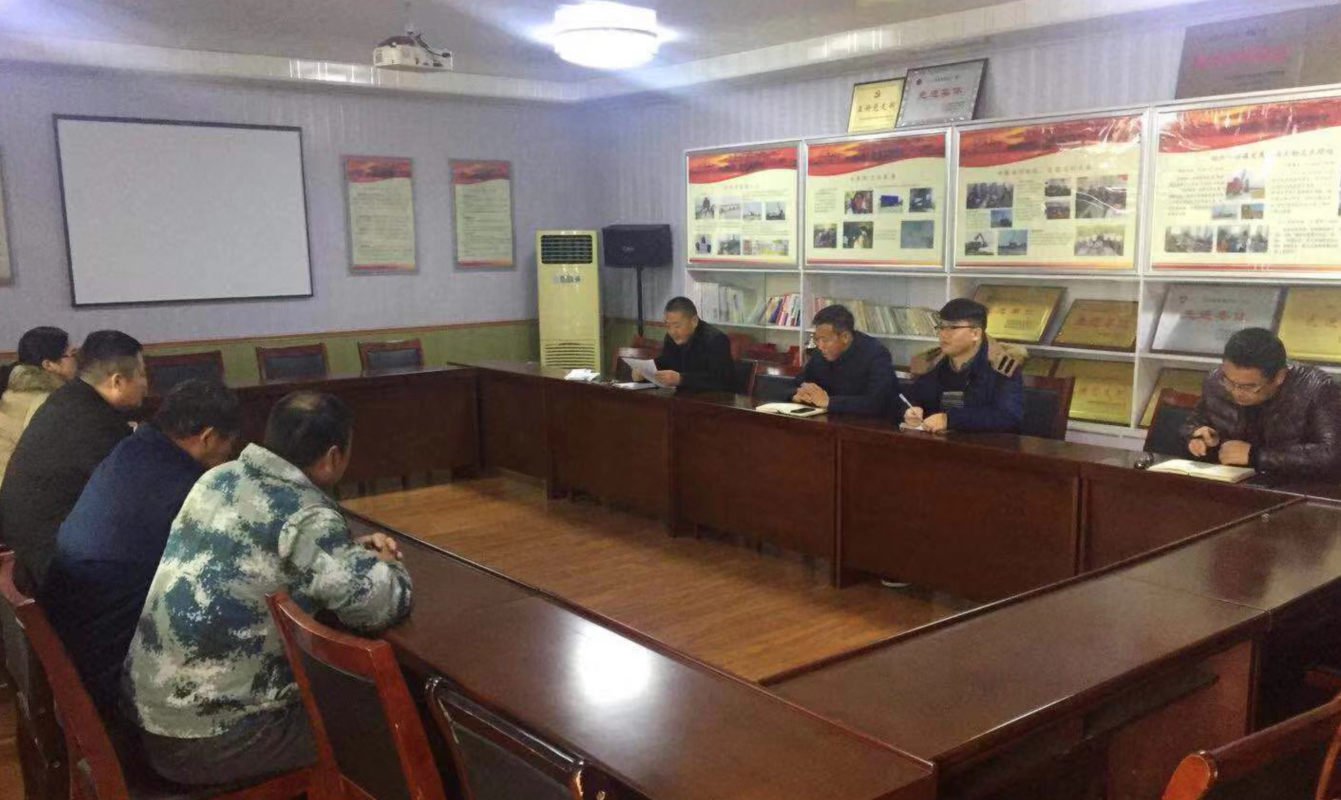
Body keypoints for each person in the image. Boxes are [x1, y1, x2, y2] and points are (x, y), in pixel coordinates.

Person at [123, 391, 412, 787]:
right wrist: (390, 564)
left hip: (154, 715)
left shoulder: (219, 477)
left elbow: (259, 550)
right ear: (333, 457)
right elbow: (380, 605)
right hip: (215, 740)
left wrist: (342, 552)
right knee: (393, 728)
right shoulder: (304, 510)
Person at [40, 379, 241, 712]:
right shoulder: (186, 488)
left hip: (72, 643)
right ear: (207, 437)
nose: (227, 457)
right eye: (229, 446)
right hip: (112, 670)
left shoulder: (131, 449)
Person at [0, 330, 146, 588]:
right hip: (53, 568)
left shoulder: (67, 399)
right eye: (142, 374)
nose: (146, 383)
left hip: (27, 551)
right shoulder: (95, 423)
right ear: (117, 381)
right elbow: (135, 500)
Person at [1181, 327, 1341, 476]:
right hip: (1231, 480)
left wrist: (1256, 455)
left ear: (1279, 377)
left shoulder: (1316, 388)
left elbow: (1331, 454)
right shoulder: (1216, 381)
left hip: (1294, 485)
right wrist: (1199, 436)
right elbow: (1195, 422)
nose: (1236, 392)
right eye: (1229, 382)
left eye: (1248, 387)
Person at [903, 299, 1025, 434]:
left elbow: (1009, 417)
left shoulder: (1001, 368)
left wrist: (950, 419)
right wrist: (912, 411)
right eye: (941, 327)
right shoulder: (931, 362)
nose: (943, 334)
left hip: (982, 443)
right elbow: (915, 398)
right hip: (937, 441)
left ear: (975, 334)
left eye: (953, 328)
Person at [0, 326, 78, 489]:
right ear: (49, 365)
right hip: (14, 492)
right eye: (71, 355)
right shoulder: (45, 401)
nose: (75, 361)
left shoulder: (13, 391)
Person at [793, 304, 893, 415]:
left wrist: (829, 402)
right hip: (825, 418)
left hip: (866, 422)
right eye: (817, 339)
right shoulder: (820, 352)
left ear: (845, 337)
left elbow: (878, 402)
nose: (820, 346)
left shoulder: (876, 354)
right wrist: (798, 395)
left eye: (825, 340)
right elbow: (798, 382)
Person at [647, 296, 735, 392]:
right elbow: (666, 363)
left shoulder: (716, 340)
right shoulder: (671, 337)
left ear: (694, 321)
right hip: (680, 395)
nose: (672, 332)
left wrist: (681, 379)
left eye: (677, 326)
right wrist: (646, 373)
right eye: (668, 326)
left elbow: (722, 381)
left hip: (713, 398)